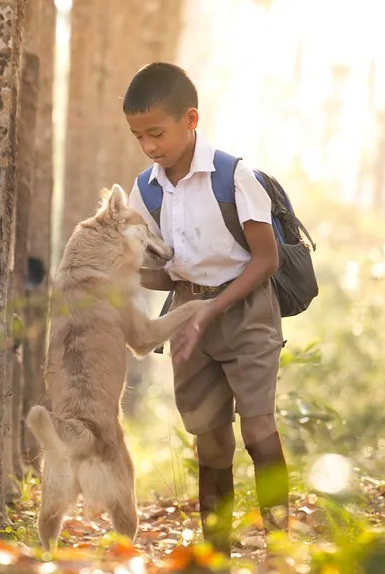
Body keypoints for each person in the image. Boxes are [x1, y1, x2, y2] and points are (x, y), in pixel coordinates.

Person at [123, 62, 289, 556]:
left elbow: (266, 259)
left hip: (246, 310)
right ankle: (216, 552)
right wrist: (118, 271)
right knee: (210, 441)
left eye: (157, 132)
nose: (150, 146)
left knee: (258, 427)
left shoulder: (232, 176)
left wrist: (213, 310)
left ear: (190, 119)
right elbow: (159, 274)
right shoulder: (146, 190)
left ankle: (280, 545)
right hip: (187, 316)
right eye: (139, 137)